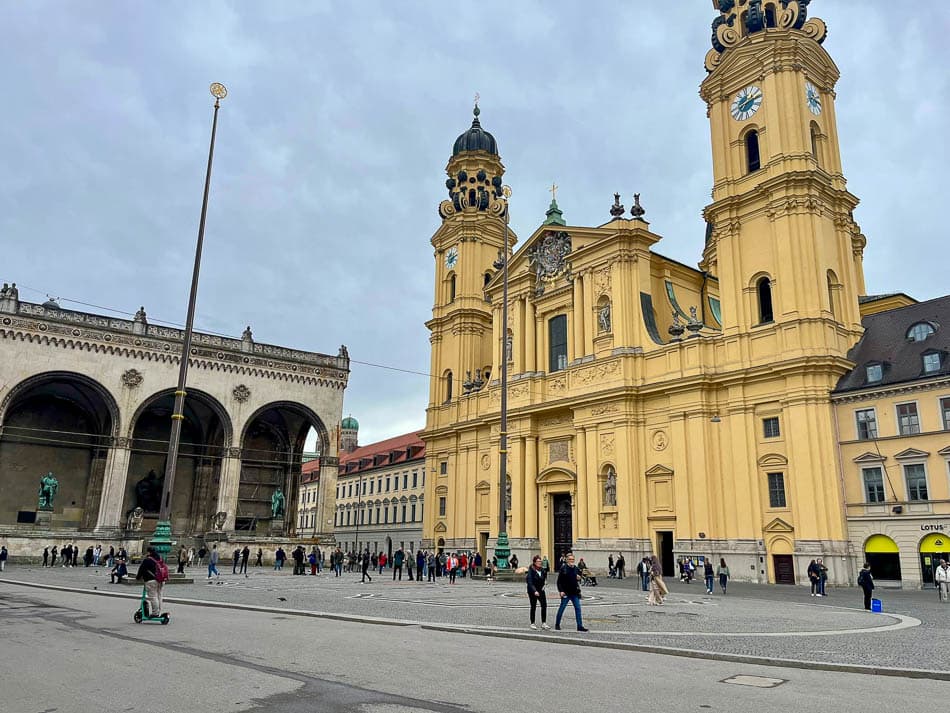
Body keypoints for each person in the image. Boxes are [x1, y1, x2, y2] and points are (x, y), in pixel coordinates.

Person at [555, 553, 588, 632]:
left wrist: (579, 578)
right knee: (562, 608)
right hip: (566, 592)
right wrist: (561, 591)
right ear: (566, 560)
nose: (571, 561)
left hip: (574, 592)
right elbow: (559, 581)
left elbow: (579, 577)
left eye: (572, 559)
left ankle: (579, 626)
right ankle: (557, 624)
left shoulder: (576, 568)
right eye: (570, 559)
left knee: (578, 609)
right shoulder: (563, 568)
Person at [135, 547, 166, 617]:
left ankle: (155, 613)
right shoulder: (160, 559)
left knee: (153, 597)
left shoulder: (147, 560)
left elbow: (141, 569)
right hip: (161, 580)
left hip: (151, 580)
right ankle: (159, 611)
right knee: (159, 596)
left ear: (149, 552)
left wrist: (138, 577)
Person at [527, 555, 550, 630]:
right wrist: (534, 591)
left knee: (544, 605)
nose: (540, 563)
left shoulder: (543, 570)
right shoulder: (531, 570)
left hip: (541, 590)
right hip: (533, 591)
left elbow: (544, 578)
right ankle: (532, 623)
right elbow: (530, 582)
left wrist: (545, 583)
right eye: (538, 561)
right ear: (534, 562)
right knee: (533, 606)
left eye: (540, 561)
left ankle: (544, 622)